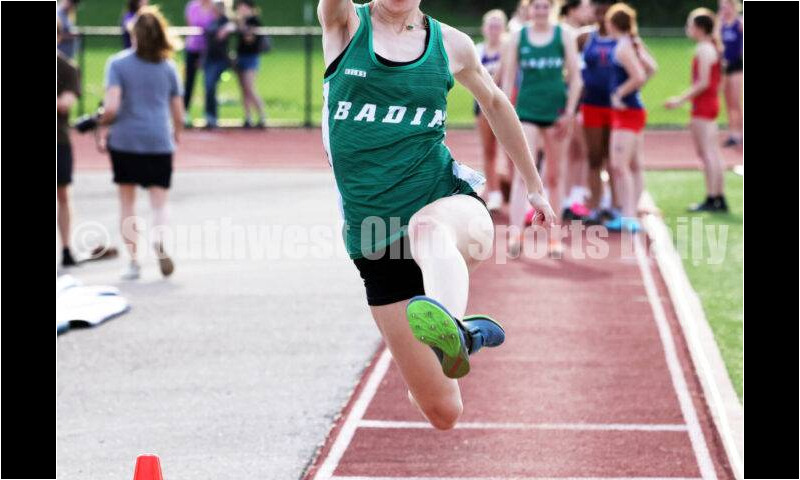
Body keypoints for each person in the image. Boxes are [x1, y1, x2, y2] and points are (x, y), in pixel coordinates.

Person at [318, 0, 556, 429]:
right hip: (377, 241)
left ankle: (455, 328)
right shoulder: (346, 24)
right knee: (443, 412)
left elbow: (496, 103)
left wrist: (535, 188)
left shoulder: (452, 44)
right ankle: (446, 345)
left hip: (451, 209)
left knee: (426, 227)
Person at [97, 6, 184, 279]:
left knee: (127, 203)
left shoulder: (117, 64)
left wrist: (101, 125)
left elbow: (111, 106)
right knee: (159, 202)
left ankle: (134, 262)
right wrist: (176, 134)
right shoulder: (168, 67)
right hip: (158, 138)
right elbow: (178, 111)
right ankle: (160, 241)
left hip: (125, 140)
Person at [502, 0, 583, 257]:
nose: (540, 11)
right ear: (529, 9)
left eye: (545, 7)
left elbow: (576, 78)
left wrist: (569, 112)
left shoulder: (564, 35)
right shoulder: (518, 36)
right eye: (536, 7)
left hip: (556, 113)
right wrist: (507, 114)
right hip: (526, 111)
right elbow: (507, 80)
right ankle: (516, 235)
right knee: (523, 175)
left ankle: (554, 238)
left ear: (552, 9)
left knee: (554, 177)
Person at [665, 8, 727, 213]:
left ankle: (712, 197)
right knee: (713, 152)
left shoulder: (704, 49)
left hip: (704, 104)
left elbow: (703, 82)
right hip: (709, 103)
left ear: (699, 28)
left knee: (707, 152)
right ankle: (718, 196)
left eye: (690, 25)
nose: (687, 29)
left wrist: (680, 100)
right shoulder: (711, 47)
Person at [603, 3, 656, 232]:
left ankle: (628, 216)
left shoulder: (624, 46)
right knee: (634, 164)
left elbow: (640, 75)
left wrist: (619, 93)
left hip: (626, 112)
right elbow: (652, 68)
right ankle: (631, 212)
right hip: (633, 110)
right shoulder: (633, 42)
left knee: (619, 166)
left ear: (612, 23)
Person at [576, 0, 616, 225]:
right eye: (598, 8)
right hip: (591, 104)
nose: (602, 13)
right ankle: (596, 205)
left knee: (614, 160)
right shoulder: (583, 37)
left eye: (606, 8)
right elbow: (570, 65)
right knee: (594, 158)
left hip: (615, 107)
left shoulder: (622, 36)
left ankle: (614, 206)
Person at [560, 0, 593, 220]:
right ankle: (569, 197)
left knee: (580, 150)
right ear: (573, 10)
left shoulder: (581, 35)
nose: (589, 11)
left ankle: (575, 196)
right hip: (569, 99)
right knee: (572, 150)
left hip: (582, 99)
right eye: (585, 7)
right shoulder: (564, 34)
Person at [474, 9, 507, 212]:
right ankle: (494, 192)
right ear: (484, 28)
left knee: (512, 151)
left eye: (498, 25)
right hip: (483, 105)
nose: (494, 29)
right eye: (491, 25)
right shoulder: (478, 50)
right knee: (489, 149)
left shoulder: (508, 49)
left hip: (506, 105)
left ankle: (511, 187)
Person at [57, 19, 81, 267]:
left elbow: (65, 103)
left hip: (58, 140)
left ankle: (65, 248)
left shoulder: (66, 68)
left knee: (62, 193)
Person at [234, 0, 267, 128]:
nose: (241, 10)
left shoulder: (254, 21)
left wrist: (241, 25)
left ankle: (262, 115)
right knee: (243, 89)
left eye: (243, 7)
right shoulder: (238, 21)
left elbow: (249, 39)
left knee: (250, 87)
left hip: (251, 57)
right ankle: (248, 117)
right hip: (240, 56)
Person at [184, 0, 216, 126]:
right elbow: (192, 25)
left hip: (209, 51)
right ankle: (184, 113)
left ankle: (209, 115)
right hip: (193, 49)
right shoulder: (193, 6)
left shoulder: (215, 6)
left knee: (209, 83)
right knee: (189, 82)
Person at [204, 0, 235, 128]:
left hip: (219, 60)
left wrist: (226, 29)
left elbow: (234, 26)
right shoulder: (211, 21)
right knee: (208, 87)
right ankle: (209, 116)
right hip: (209, 59)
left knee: (211, 85)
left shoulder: (225, 21)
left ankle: (212, 117)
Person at [717, 0, 743, 149]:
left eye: (726, 6)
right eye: (721, 7)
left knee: (736, 101)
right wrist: (719, 19)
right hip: (724, 66)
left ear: (733, 7)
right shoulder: (721, 25)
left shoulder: (739, 24)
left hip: (737, 65)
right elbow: (715, 38)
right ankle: (733, 134)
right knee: (727, 102)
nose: (724, 9)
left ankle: (740, 133)